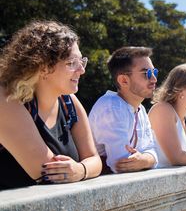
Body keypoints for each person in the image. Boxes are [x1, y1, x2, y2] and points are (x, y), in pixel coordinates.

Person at [0, 21, 101, 190]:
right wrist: (81, 169)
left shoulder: (69, 102)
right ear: (43, 67)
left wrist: (81, 170)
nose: (81, 70)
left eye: (81, 61)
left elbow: (94, 159)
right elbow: (48, 173)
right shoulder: (7, 99)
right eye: (71, 63)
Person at [89, 47, 158, 173]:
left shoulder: (140, 109)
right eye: (146, 73)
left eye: (154, 72)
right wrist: (145, 160)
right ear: (123, 80)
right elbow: (120, 164)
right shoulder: (111, 107)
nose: (154, 79)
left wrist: (144, 160)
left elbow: (153, 151)